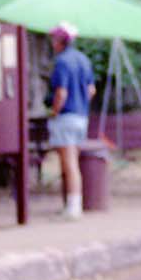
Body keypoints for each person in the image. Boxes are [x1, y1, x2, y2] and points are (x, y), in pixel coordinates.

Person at [47, 24, 96, 219]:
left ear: (60, 41)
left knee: (69, 163)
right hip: (81, 116)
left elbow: (61, 92)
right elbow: (91, 90)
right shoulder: (83, 59)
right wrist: (81, 104)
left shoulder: (62, 62)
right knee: (72, 160)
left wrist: (54, 112)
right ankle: (70, 203)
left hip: (66, 117)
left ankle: (74, 206)